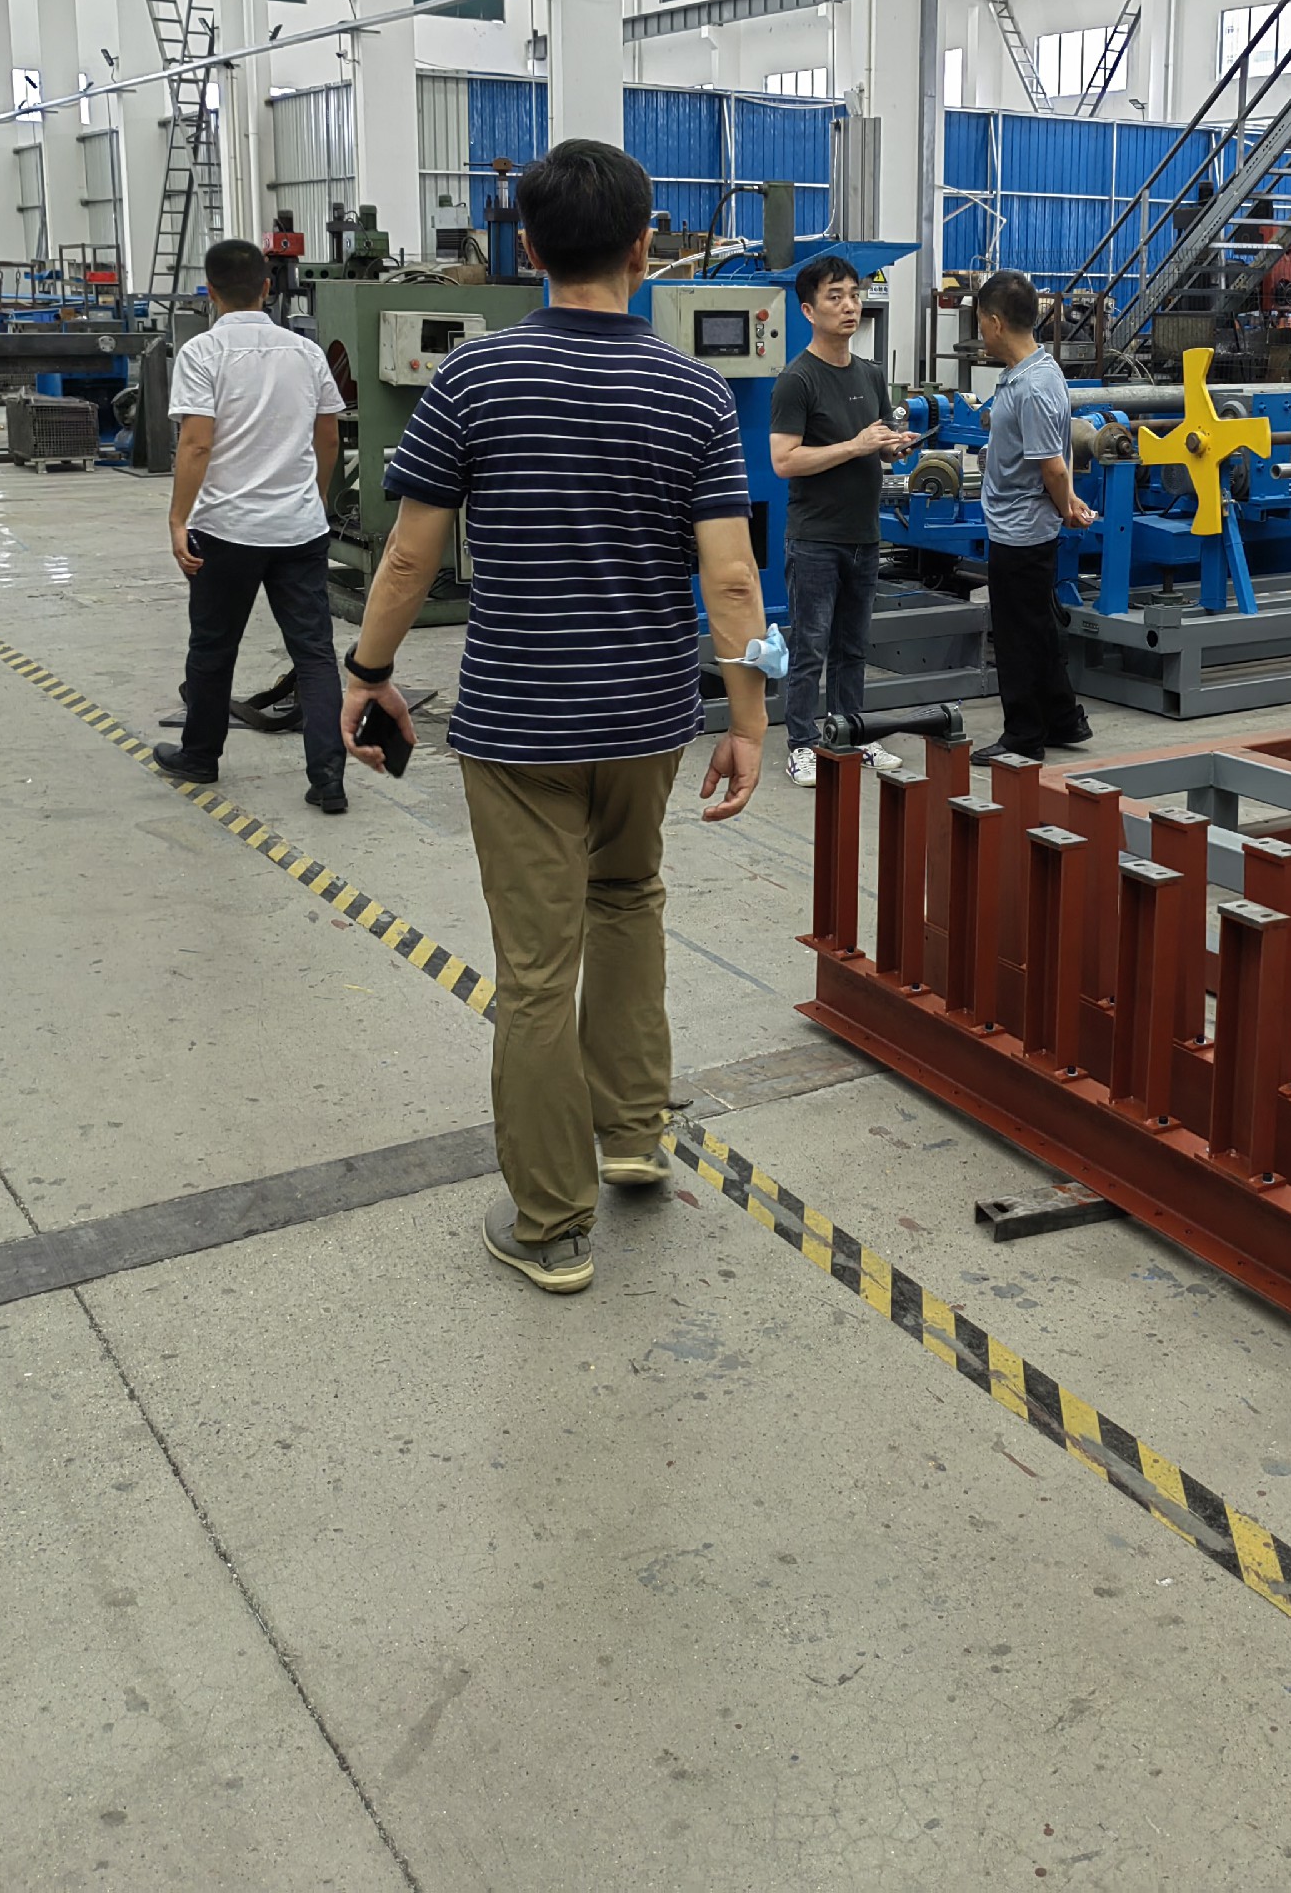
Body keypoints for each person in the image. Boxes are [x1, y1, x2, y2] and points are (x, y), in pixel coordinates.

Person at [338, 137, 769, 1298]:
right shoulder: (695, 391)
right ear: (645, 246)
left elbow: (409, 556)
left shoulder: (472, 379)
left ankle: (549, 1223)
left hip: (521, 726)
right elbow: (732, 580)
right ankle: (631, 1135)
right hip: (646, 722)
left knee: (535, 971)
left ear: (525, 247)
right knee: (628, 903)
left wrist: (369, 669)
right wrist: (749, 716)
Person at [153, 237, 350, 813]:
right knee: (314, 653)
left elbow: (196, 443)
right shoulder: (305, 352)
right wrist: (313, 498)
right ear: (268, 287)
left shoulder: (202, 352)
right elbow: (330, 436)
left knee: (213, 647)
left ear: (210, 292)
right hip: (299, 530)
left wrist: (177, 519)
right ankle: (328, 778)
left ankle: (200, 756)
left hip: (225, 530)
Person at [768, 252, 915, 788]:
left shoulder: (871, 374)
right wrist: (855, 445)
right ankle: (802, 744)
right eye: (835, 297)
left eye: (854, 294)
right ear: (809, 310)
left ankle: (851, 733)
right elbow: (784, 461)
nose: (849, 306)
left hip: (863, 536)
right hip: (815, 538)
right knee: (810, 646)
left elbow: (876, 445)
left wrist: (891, 447)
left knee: (853, 647)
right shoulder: (797, 380)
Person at [971, 270, 1096, 767]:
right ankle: (1063, 719)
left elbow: (1053, 465)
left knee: (1016, 635)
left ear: (996, 322)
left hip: (1020, 530)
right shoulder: (1031, 373)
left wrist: (1067, 505)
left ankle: (1023, 734)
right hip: (1021, 521)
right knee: (1037, 623)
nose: (981, 331)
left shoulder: (1033, 387)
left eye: (981, 322)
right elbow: (1051, 453)